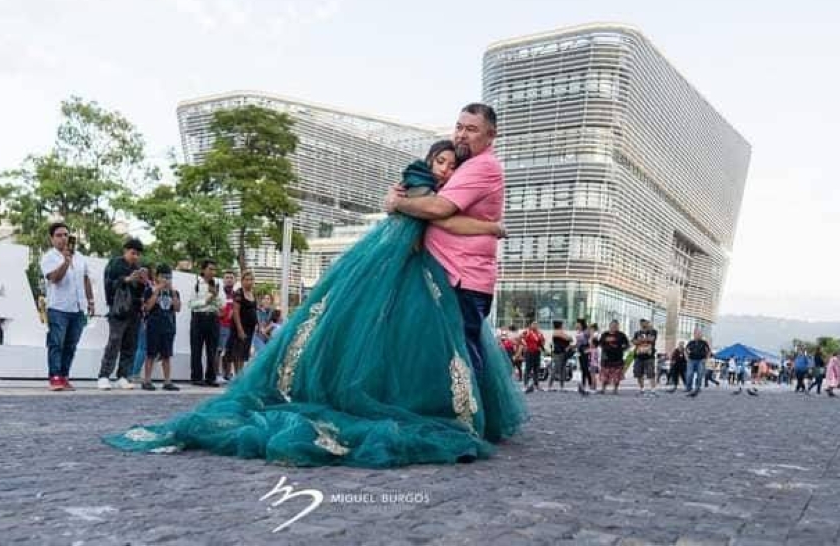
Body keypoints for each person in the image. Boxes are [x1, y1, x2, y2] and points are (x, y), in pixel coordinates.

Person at [104, 137, 526, 467]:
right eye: (442, 160)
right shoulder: (419, 183)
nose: (447, 168)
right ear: (430, 159)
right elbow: (437, 215)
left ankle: (443, 409)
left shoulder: (436, 188)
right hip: (408, 269)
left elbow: (443, 216)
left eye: (452, 164)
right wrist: (488, 227)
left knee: (413, 350)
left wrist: (486, 226)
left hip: (427, 273)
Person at [386, 104, 504, 377]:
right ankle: (462, 413)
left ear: (491, 135)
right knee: (448, 353)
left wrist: (397, 203)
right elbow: (437, 212)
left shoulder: (483, 166)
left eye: (471, 129)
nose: (462, 135)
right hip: (450, 274)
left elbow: (439, 210)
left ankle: (469, 417)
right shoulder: (465, 166)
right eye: (459, 127)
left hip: (463, 276)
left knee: (461, 352)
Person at [40, 223, 94, 391]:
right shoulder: (49, 257)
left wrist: (90, 301)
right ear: (52, 238)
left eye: (65, 234)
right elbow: (54, 278)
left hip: (78, 308)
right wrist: (65, 261)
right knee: (56, 343)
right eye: (59, 235)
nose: (63, 238)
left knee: (71, 345)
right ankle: (54, 377)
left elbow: (86, 279)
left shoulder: (80, 257)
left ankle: (64, 376)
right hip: (58, 308)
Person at [99, 238, 147, 391]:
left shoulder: (138, 267)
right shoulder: (115, 264)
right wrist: (125, 279)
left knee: (130, 345)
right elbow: (108, 284)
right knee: (114, 342)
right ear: (125, 250)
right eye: (133, 253)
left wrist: (143, 283)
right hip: (119, 310)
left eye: (138, 254)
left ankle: (123, 376)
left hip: (134, 311)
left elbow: (140, 292)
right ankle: (104, 376)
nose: (135, 257)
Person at [141, 264, 181, 392]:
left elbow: (177, 308)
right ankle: (147, 380)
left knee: (166, 355)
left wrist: (173, 294)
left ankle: (167, 381)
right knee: (151, 354)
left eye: (169, 277)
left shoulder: (174, 292)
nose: (166, 280)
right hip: (153, 325)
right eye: (163, 277)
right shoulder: (150, 290)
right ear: (157, 277)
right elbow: (147, 307)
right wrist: (157, 291)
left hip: (168, 326)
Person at [189, 260, 223, 387]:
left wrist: (215, 296)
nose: (212, 272)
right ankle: (196, 377)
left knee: (212, 350)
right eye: (210, 269)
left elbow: (221, 305)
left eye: (214, 270)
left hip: (213, 318)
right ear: (203, 270)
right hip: (199, 318)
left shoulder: (218, 285)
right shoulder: (196, 284)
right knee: (196, 348)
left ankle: (211, 377)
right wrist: (206, 300)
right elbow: (191, 304)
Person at [229, 270, 259, 376]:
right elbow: (236, 312)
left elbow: (255, 310)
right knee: (238, 352)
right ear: (242, 281)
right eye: (246, 280)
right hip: (240, 326)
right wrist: (240, 329)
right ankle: (237, 375)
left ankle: (240, 374)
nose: (249, 282)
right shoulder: (239, 293)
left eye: (251, 279)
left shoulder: (253, 293)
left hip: (250, 328)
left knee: (244, 352)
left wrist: (258, 324)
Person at [598, 320, 629, 395]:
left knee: (617, 376)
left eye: (615, 326)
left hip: (617, 358)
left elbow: (627, 345)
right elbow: (600, 343)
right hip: (606, 358)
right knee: (605, 375)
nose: (614, 327)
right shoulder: (605, 334)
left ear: (618, 326)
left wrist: (622, 348)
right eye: (612, 325)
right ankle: (603, 389)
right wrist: (605, 348)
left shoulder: (621, 335)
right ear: (609, 326)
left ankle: (615, 389)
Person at [631, 318, 658, 396]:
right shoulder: (637, 333)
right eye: (641, 323)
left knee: (651, 373)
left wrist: (640, 340)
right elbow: (633, 341)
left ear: (648, 323)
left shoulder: (653, 332)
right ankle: (642, 389)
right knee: (638, 373)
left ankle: (653, 390)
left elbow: (652, 339)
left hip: (649, 356)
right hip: (638, 356)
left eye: (644, 322)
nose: (643, 324)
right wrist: (644, 340)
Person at [683, 330, 711, 397]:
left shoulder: (704, 343)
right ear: (694, 335)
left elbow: (709, 351)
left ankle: (697, 388)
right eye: (698, 334)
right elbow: (685, 350)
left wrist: (706, 359)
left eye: (700, 334)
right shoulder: (691, 342)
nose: (699, 335)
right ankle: (688, 387)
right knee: (689, 374)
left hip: (701, 360)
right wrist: (687, 358)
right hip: (691, 360)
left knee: (700, 374)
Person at [521, 321, 545, 393]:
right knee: (528, 369)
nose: (535, 326)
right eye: (533, 324)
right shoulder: (528, 332)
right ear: (531, 325)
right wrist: (525, 345)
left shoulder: (539, 333)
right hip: (529, 352)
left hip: (537, 352)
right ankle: (525, 385)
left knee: (536, 369)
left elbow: (543, 341)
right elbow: (520, 338)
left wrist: (542, 346)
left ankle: (536, 385)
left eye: (536, 325)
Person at [547, 321, 571, 392]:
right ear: (560, 325)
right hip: (558, 353)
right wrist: (567, 337)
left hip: (562, 352)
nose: (563, 326)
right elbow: (568, 338)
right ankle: (550, 386)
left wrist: (568, 337)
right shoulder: (557, 332)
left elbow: (569, 338)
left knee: (562, 370)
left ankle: (562, 386)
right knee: (556, 369)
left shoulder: (560, 332)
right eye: (562, 325)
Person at [574, 319, 591, 396]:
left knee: (585, 367)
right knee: (582, 368)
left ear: (581, 324)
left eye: (577, 324)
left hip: (585, 349)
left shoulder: (585, 331)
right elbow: (578, 343)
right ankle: (583, 385)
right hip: (580, 350)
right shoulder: (578, 332)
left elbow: (587, 337)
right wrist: (573, 347)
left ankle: (590, 385)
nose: (576, 325)